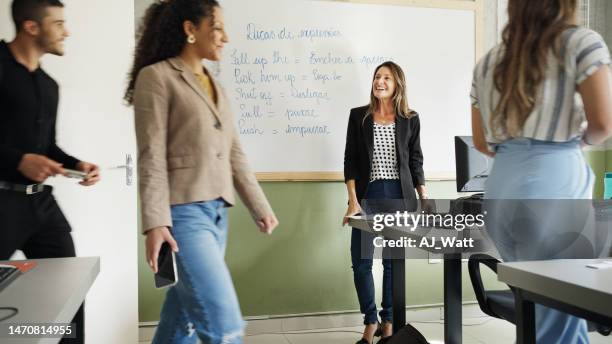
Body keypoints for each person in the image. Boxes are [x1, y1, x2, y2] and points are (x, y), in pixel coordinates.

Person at [125, 0, 279, 343]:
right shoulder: (157, 77)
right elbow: (151, 155)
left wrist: (260, 207)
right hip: (182, 218)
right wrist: (155, 223)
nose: (226, 37)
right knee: (224, 327)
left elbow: (235, 153)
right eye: (219, 27)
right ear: (190, 29)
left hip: (216, 217)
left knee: (182, 323)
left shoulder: (217, 88)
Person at [471, 0, 612, 342]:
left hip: (501, 190)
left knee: (535, 310)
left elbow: (481, 142)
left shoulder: (489, 61)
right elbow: (603, 122)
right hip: (553, 184)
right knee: (560, 320)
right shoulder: (579, 42)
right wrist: (572, 144)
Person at [0, 0, 101, 343]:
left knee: (68, 293)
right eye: (58, 23)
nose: (66, 31)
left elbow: (47, 148)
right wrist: (17, 160)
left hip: (42, 206)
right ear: (31, 27)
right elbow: (23, 156)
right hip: (1, 203)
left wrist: (76, 165)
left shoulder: (48, 86)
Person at [343, 61, 428, 344]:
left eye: (386, 78)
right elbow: (351, 161)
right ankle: (370, 321)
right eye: (377, 77)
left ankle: (389, 322)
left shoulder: (410, 118)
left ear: (397, 85)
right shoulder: (359, 117)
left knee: (393, 263)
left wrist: (423, 197)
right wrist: (352, 201)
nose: (380, 81)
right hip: (368, 196)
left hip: (399, 196)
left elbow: (415, 159)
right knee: (362, 262)